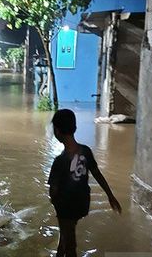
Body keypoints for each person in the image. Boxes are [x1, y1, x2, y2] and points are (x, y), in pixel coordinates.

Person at [48, 109, 122, 257]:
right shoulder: (86, 151)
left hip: (65, 207)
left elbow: (53, 190)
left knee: (70, 245)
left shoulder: (59, 161)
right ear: (74, 128)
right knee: (66, 235)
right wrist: (110, 196)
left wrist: (55, 202)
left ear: (57, 131)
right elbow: (98, 175)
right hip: (82, 203)